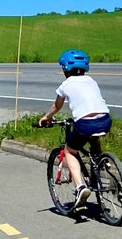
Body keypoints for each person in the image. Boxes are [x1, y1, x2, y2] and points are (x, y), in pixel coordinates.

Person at [39, 49, 113, 212]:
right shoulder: (91, 81)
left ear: (65, 69)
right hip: (105, 120)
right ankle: (100, 164)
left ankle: (80, 187)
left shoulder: (65, 85)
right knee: (94, 137)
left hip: (85, 123)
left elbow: (57, 106)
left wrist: (47, 117)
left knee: (70, 151)